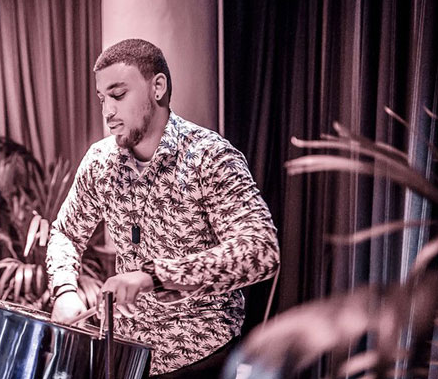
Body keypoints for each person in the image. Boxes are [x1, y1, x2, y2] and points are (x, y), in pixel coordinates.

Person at [46, 39, 280, 378]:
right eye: (102, 98)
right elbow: (66, 233)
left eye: (118, 95)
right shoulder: (100, 161)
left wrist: (155, 276)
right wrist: (65, 290)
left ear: (158, 87)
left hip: (201, 358)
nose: (107, 111)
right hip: (125, 357)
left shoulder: (209, 156)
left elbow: (261, 249)